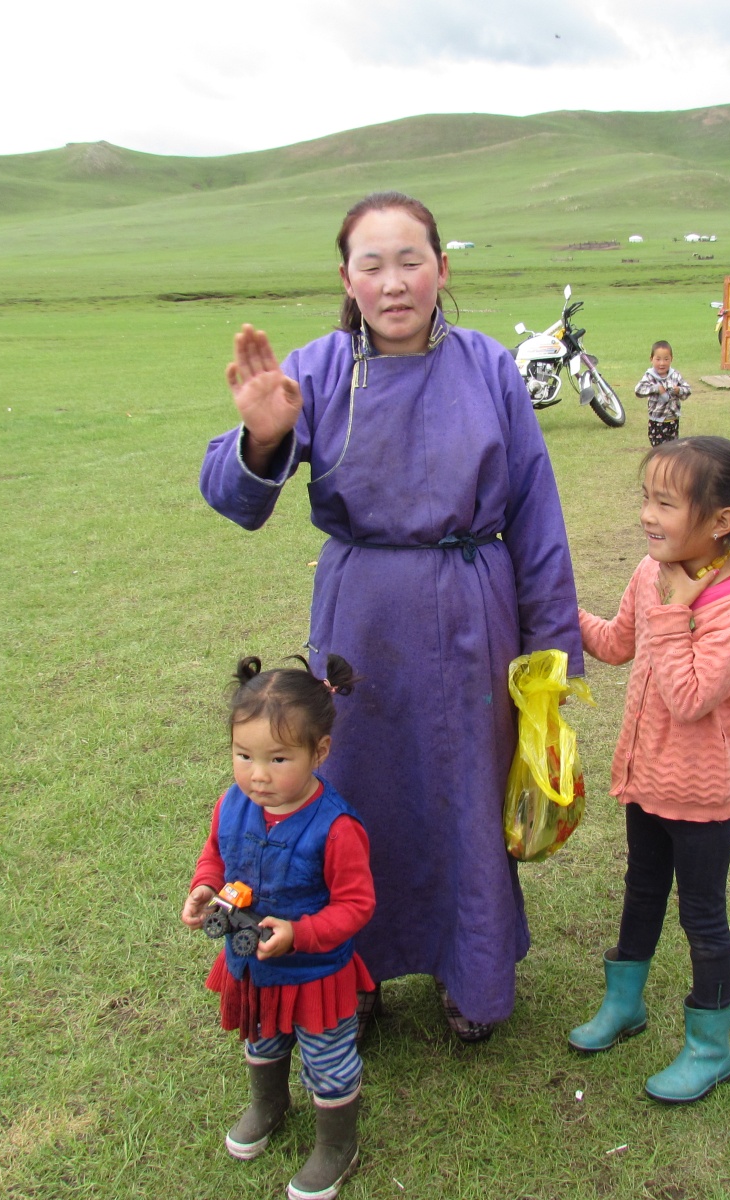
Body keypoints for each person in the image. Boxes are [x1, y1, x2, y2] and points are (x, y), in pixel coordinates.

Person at [198, 192, 584, 1043]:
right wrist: (262, 440)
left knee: (464, 798)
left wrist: (553, 661)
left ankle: (468, 972)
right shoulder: (319, 369)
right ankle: (350, 976)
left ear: (443, 269)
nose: (394, 282)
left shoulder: (488, 368)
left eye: (411, 259)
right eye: (371, 264)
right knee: (355, 795)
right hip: (359, 622)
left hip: (473, 615)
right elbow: (233, 497)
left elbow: (537, 518)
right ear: (347, 278)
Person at [566, 437, 730, 1102]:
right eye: (645, 499)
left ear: (720, 521)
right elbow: (619, 644)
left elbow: (688, 698)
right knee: (641, 892)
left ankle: (709, 1048)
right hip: (644, 783)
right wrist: (554, 614)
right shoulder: (650, 572)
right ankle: (624, 1005)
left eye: (665, 503)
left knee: (703, 918)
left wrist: (674, 608)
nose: (648, 516)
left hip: (702, 797)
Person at [181, 655, 374, 1199]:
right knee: (262, 1038)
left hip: (314, 974)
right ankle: (268, 1102)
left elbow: (356, 906)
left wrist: (302, 933)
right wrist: (203, 887)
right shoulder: (232, 804)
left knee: (327, 1059)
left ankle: (337, 1143)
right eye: (243, 755)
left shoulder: (336, 828)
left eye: (278, 758)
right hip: (252, 964)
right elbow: (216, 856)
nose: (257, 774)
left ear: (321, 752)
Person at [635, 340, 692, 446]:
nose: (662, 363)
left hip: (673, 420)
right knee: (659, 450)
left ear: (671, 359)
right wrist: (656, 389)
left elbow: (688, 390)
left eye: (666, 359)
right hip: (656, 421)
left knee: (673, 449)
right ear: (651, 359)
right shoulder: (649, 376)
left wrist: (679, 390)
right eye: (658, 359)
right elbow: (638, 390)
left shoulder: (675, 375)